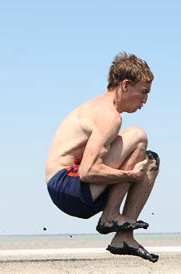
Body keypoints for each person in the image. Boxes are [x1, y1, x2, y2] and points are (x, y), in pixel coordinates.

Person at [46, 52, 160, 262]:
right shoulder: (108, 115)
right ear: (125, 85)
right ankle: (110, 217)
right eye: (143, 92)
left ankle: (123, 238)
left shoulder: (108, 113)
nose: (145, 99)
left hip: (78, 190)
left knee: (150, 161)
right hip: (64, 185)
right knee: (137, 136)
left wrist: (132, 174)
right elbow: (88, 171)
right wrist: (128, 175)